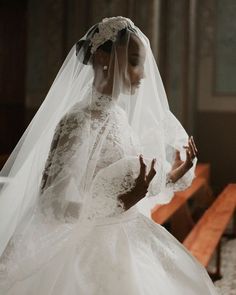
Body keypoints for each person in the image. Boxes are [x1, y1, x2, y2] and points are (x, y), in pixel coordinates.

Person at [0, 16, 219, 294]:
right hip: (90, 250)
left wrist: (176, 171)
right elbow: (52, 204)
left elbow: (131, 181)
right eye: (133, 61)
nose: (142, 74)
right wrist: (119, 203)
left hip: (132, 234)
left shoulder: (118, 116)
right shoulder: (78, 121)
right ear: (104, 57)